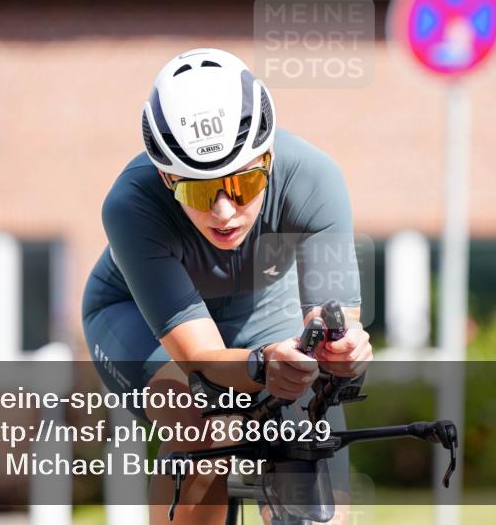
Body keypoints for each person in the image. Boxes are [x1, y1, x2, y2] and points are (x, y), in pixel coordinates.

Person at [83, 48, 372, 524]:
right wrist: (261, 366)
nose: (223, 211)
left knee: (309, 442)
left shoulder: (313, 177)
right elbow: (200, 360)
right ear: (165, 176)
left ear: (269, 156)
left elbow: (335, 318)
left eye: (241, 184)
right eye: (197, 189)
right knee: (198, 421)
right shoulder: (130, 203)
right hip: (133, 316)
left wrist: (342, 349)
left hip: (264, 313)